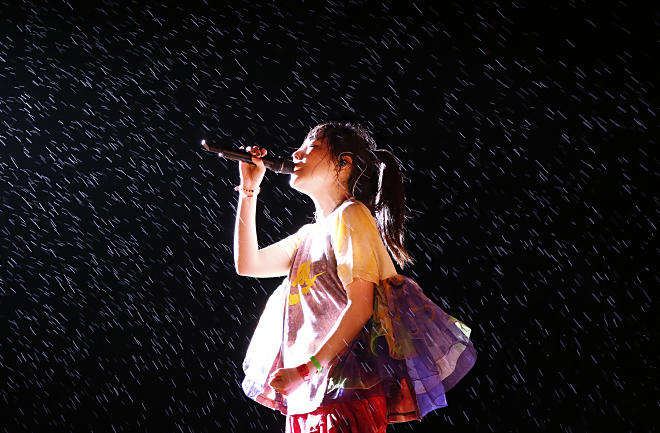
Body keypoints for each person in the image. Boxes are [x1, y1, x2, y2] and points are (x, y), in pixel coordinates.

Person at [233, 122, 476, 433]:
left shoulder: (350, 216)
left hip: (343, 392)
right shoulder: (308, 235)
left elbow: (360, 306)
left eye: (311, 146)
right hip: (310, 395)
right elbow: (248, 264)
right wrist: (249, 189)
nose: (296, 154)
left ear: (342, 163)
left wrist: (305, 370)